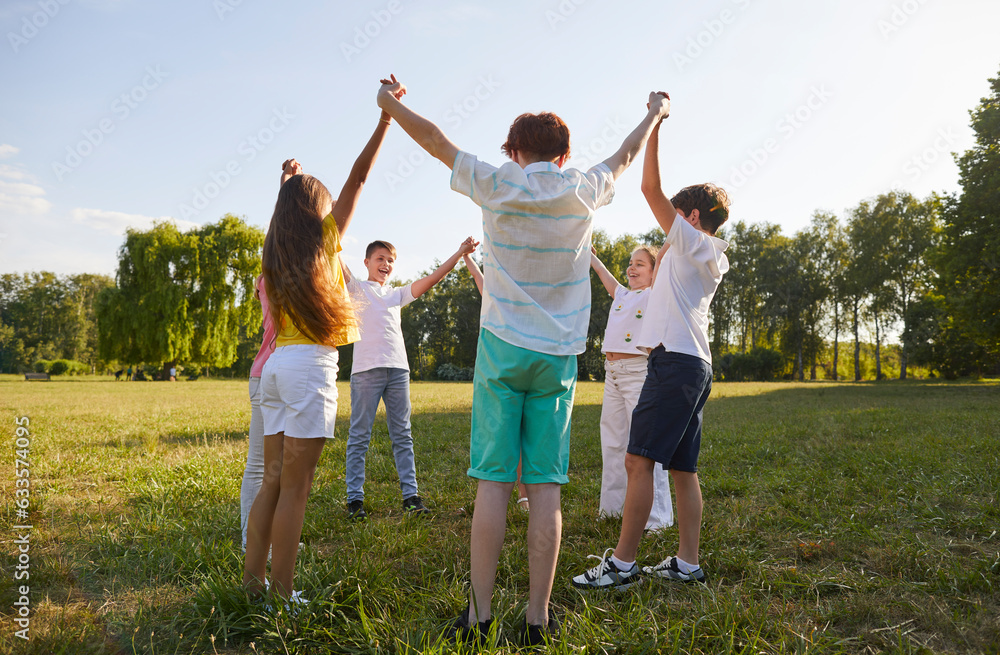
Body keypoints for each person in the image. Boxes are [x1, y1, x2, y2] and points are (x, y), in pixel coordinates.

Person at [376, 74, 671, 646]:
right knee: (545, 488)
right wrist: (655, 112)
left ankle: (479, 616)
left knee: (492, 485)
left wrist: (388, 104)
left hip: (502, 350)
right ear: (563, 155)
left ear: (513, 151)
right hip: (557, 358)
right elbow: (627, 153)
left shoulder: (497, 181)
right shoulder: (582, 187)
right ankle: (537, 619)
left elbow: (435, 141)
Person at [571, 103, 731, 591]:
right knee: (683, 468)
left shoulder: (693, 243)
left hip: (675, 363)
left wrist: (655, 123)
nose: (667, 227)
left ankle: (621, 566)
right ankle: (687, 563)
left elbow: (648, 188)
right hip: (693, 364)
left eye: (676, 217)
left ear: (692, 217)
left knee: (637, 460)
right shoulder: (698, 255)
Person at [243, 98, 395, 605]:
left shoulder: (275, 251)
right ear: (319, 213)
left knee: (271, 483)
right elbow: (359, 177)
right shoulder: (325, 241)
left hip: (276, 370)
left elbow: (286, 217)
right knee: (296, 490)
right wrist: (385, 119)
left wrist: (286, 186)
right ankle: (283, 595)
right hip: (309, 368)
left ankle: (252, 586)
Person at [343, 235, 480, 520]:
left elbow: (432, 279)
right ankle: (355, 500)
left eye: (390, 260)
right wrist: (325, 231)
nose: (386, 264)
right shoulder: (356, 289)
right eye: (380, 259)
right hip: (366, 373)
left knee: (402, 435)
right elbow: (335, 259)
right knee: (359, 436)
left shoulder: (397, 294)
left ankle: (411, 498)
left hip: (398, 371)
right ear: (367, 262)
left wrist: (459, 253)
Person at [590, 244, 673, 531]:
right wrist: (591, 256)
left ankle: (658, 520)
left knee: (644, 445)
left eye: (640, 264)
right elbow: (604, 275)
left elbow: (664, 259)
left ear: (654, 272)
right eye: (630, 262)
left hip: (638, 374)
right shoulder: (623, 295)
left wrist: (671, 239)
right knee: (613, 443)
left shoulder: (654, 294)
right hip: (611, 374)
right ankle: (612, 510)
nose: (632, 268)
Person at [462, 250, 530, 512]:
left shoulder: (525, 297)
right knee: (499, 436)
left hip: (524, 368)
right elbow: (478, 277)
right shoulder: (493, 298)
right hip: (497, 373)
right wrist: (466, 257)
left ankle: (524, 493)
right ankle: (492, 496)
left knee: (523, 434)